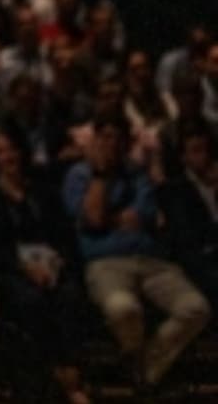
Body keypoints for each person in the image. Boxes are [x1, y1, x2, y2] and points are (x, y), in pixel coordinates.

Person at [61, 115, 210, 390]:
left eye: (118, 138)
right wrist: (101, 175)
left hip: (151, 260)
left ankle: (143, 368)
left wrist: (111, 218)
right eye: (106, 137)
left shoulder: (137, 174)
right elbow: (93, 218)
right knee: (123, 309)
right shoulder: (79, 175)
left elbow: (145, 216)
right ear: (95, 140)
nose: (112, 144)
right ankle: (145, 374)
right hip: (105, 262)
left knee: (195, 308)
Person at [0, 130, 90, 404]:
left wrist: (57, 263)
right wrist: (25, 268)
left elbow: (63, 235)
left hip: (51, 267)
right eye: (1, 152)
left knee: (70, 296)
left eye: (12, 149)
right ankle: (58, 377)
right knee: (30, 301)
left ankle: (69, 372)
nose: (8, 157)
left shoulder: (43, 191)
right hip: (10, 269)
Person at [159, 124, 218, 308]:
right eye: (196, 151)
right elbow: (188, 238)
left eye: (207, 150)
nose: (204, 156)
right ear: (184, 158)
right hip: (199, 259)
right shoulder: (174, 190)